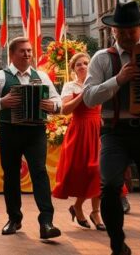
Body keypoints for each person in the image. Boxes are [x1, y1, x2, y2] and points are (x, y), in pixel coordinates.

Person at [82, 1, 140, 255]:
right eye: (123, 31)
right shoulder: (102, 58)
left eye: (133, 30)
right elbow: (88, 97)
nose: (128, 35)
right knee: (109, 187)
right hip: (114, 130)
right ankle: (118, 245)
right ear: (113, 32)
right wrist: (117, 80)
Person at [0, 36, 62, 241]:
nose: (27, 54)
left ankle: (46, 222)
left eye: (29, 51)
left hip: (36, 131)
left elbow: (57, 100)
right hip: (9, 130)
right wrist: (3, 102)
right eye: (22, 51)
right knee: (11, 175)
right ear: (12, 54)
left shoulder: (41, 76)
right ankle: (14, 218)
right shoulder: (0, 77)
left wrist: (54, 106)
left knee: (39, 172)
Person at [52, 52, 104, 231]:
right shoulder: (69, 86)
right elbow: (65, 110)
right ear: (73, 69)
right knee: (84, 172)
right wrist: (83, 94)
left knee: (99, 171)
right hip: (80, 131)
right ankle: (79, 206)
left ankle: (95, 211)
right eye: (78, 65)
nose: (82, 66)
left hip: (97, 130)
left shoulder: (99, 83)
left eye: (85, 63)